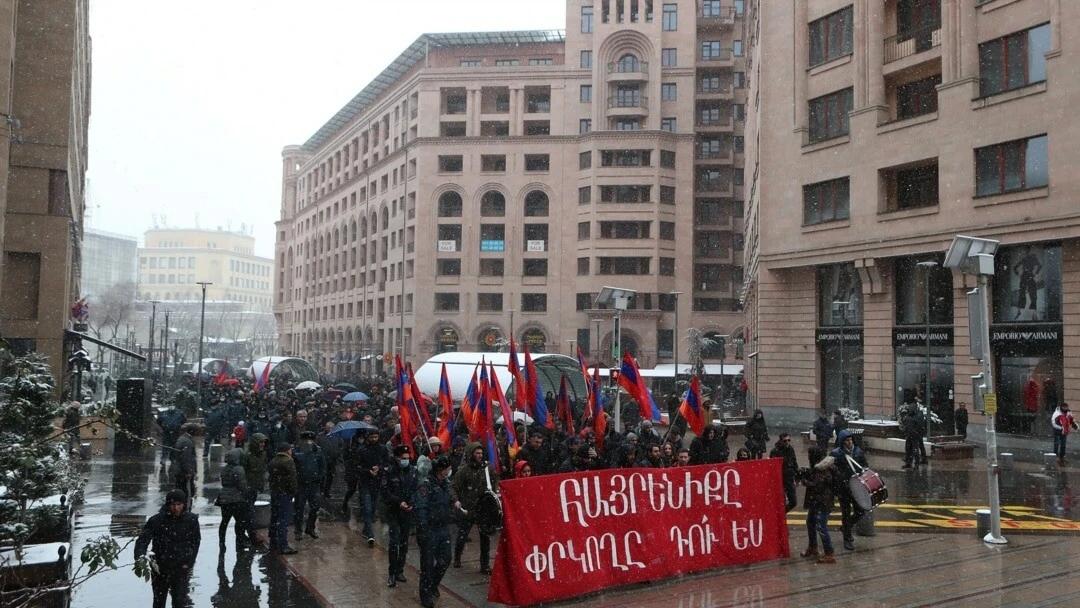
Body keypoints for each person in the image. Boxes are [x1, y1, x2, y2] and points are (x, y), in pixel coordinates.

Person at [134, 489, 201, 608]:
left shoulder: (191, 520)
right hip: (160, 566)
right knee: (159, 600)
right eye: (172, 505)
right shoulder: (156, 520)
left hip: (181, 566)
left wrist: (189, 562)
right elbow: (142, 541)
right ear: (167, 505)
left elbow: (195, 541)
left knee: (179, 600)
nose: (175, 508)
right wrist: (140, 558)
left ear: (184, 504)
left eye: (178, 504)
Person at [414, 456, 455, 608]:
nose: (449, 472)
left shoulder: (445, 484)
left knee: (445, 559)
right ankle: (425, 595)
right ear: (441, 470)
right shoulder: (426, 485)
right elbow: (421, 507)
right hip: (430, 530)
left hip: (443, 528)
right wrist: (424, 529)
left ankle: (433, 584)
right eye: (447, 469)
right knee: (427, 565)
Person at [451, 442, 498, 574]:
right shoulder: (464, 471)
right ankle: (457, 557)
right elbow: (453, 486)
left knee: (485, 538)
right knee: (463, 534)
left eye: (481, 453)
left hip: (484, 508)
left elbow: (495, 482)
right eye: (477, 453)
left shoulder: (488, 468)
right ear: (471, 454)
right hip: (468, 508)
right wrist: (456, 500)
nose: (480, 455)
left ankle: (485, 565)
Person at [383, 445, 419, 588]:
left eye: (407, 458)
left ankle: (400, 570)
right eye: (403, 458)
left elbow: (416, 490)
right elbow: (385, 492)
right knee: (394, 542)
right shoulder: (389, 472)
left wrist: (412, 503)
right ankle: (392, 573)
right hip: (394, 511)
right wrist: (399, 502)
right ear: (397, 458)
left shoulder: (413, 472)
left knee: (404, 542)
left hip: (407, 512)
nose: (405, 460)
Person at [830, 430, 868, 551]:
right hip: (843, 489)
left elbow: (864, 466)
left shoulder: (858, 452)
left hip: (856, 488)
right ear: (842, 442)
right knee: (845, 513)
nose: (849, 442)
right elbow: (832, 472)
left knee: (861, 510)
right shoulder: (836, 454)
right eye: (847, 440)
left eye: (851, 440)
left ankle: (847, 527)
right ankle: (847, 538)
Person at [799, 446, 836, 564]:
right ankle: (813, 546)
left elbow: (817, 485)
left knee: (821, 526)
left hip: (822, 502)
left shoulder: (822, 469)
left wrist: (804, 481)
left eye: (810, 455)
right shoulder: (819, 467)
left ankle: (829, 553)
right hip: (817, 501)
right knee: (810, 522)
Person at [354, 429, 389, 545]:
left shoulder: (383, 449)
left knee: (373, 507)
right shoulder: (361, 450)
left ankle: (366, 528)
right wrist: (367, 471)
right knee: (367, 507)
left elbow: (387, 463)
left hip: (377, 482)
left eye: (376, 437)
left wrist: (379, 468)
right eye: (372, 437)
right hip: (365, 482)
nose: (374, 439)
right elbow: (357, 465)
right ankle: (370, 533)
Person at [292, 430, 326, 540]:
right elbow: (293, 467)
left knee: (315, 507)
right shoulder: (296, 450)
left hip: (314, 484)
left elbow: (323, 466)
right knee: (299, 508)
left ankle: (310, 528)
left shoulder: (318, 451)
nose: (308, 442)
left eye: (310, 440)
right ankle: (298, 530)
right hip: (300, 484)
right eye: (306, 439)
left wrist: (320, 478)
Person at [268, 443, 298, 555]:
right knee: (283, 519)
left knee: (274, 517)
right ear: (287, 450)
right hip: (285, 493)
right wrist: (294, 491)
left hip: (275, 492)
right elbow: (292, 478)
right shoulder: (288, 461)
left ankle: (273, 541)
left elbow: (271, 479)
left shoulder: (273, 461)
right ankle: (283, 545)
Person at [218, 448, 251, 550]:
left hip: (224, 498)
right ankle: (240, 541)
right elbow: (242, 485)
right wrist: (246, 494)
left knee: (224, 522)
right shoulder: (238, 469)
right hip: (236, 499)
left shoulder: (224, 469)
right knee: (240, 521)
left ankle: (222, 541)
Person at [241, 432, 268, 544]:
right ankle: (250, 533)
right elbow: (243, 472)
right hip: (248, 487)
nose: (262, 444)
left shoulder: (263, 454)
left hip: (255, 485)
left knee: (250, 510)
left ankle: (249, 532)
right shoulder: (247, 455)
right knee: (249, 511)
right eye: (260, 442)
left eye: (263, 442)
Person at [769, 433, 799, 512]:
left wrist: (797, 477)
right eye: (785, 441)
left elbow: (794, 462)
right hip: (780, 480)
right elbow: (772, 467)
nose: (787, 442)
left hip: (789, 478)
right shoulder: (775, 451)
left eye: (789, 440)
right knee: (781, 502)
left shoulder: (791, 449)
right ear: (781, 441)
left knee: (793, 502)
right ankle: (781, 515)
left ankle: (782, 513)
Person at [173, 423, 197, 509]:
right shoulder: (187, 442)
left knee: (180, 491)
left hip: (179, 470)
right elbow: (186, 458)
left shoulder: (182, 439)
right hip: (183, 472)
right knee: (187, 493)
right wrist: (188, 471)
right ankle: (185, 509)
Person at [1051, 402, 1078, 467]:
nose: (1065, 408)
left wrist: (1076, 426)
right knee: (1056, 443)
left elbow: (1072, 420)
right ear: (1061, 407)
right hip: (1057, 431)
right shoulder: (1057, 414)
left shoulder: (1068, 413)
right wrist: (1061, 428)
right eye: (1064, 407)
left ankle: (1062, 457)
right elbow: (1054, 422)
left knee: (1063, 444)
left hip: (1064, 431)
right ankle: (1055, 456)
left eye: (1066, 407)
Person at [901, 402, 925, 469]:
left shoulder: (916, 416)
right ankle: (909, 462)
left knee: (914, 449)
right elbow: (907, 425)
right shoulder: (911, 415)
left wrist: (915, 432)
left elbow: (919, 426)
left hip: (914, 435)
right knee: (910, 449)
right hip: (910, 435)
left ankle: (915, 463)